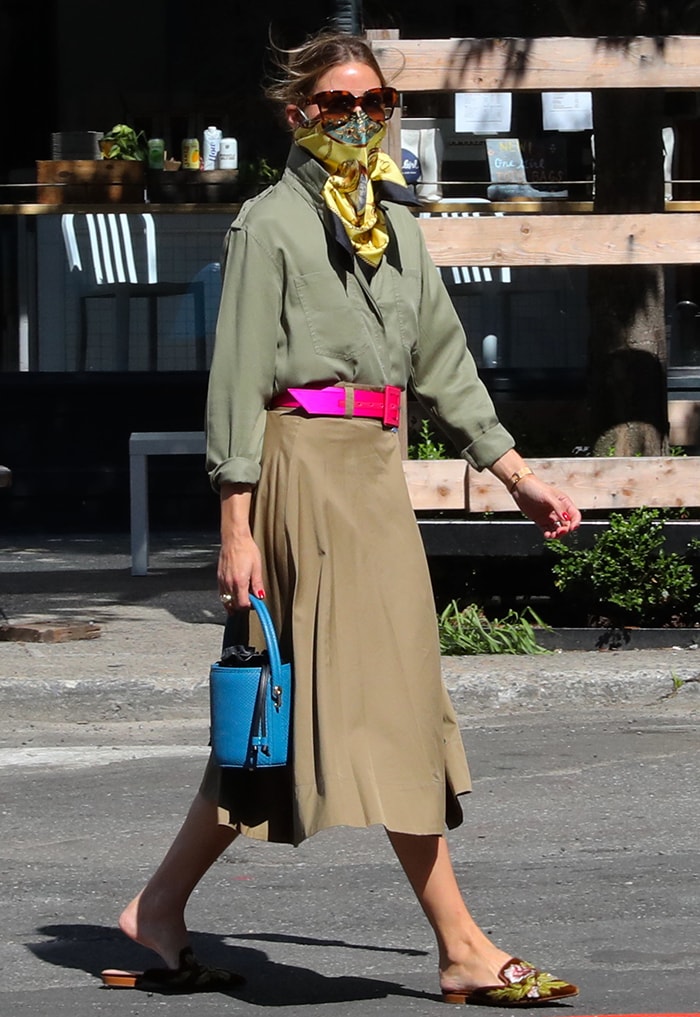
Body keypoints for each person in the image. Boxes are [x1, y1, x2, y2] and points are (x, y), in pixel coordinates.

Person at [101, 29, 582, 1005]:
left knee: (276, 717)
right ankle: (460, 944)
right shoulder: (269, 225)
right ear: (298, 116)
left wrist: (514, 472)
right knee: (356, 707)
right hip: (297, 479)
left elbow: (444, 363)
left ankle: (154, 910)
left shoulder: (398, 230)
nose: (358, 119)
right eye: (335, 104)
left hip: (372, 476)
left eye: (374, 104)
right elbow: (237, 382)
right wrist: (236, 526)